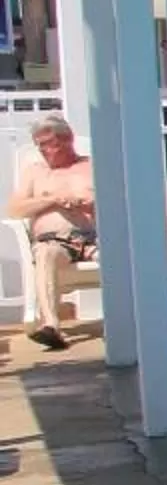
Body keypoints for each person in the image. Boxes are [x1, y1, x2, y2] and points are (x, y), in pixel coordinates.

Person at [9, 114, 95, 352]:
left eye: (48, 143)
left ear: (67, 139)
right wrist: (52, 200)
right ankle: (52, 326)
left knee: (121, 256)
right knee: (46, 253)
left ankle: (131, 319)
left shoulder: (90, 167)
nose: (43, 150)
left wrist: (89, 203)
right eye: (39, 145)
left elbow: (114, 200)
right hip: (55, 242)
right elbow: (15, 209)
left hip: (94, 239)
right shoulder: (35, 172)